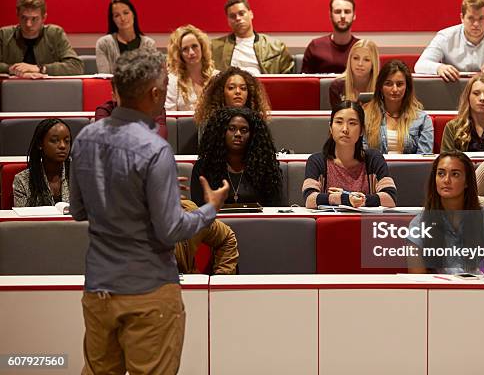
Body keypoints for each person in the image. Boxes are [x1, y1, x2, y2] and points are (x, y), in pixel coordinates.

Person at [70, 49, 230, 374]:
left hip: (98, 289)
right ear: (155, 93)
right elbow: (170, 230)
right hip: (148, 291)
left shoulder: (85, 138)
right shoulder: (154, 148)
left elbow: (77, 209)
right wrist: (209, 209)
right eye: (165, 84)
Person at [408, 151, 484, 273]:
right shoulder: (419, 223)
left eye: (455, 174)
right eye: (441, 174)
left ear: (466, 182)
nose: (446, 180)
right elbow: (418, 280)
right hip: (438, 290)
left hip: (480, 289)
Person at [303, 101, 397, 209]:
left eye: (352, 123)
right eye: (339, 122)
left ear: (362, 130)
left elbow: (390, 198)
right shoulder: (317, 161)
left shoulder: (374, 159)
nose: (345, 129)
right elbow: (310, 199)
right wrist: (346, 199)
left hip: (365, 223)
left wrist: (352, 197)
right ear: (330, 128)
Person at [191, 106, 282, 207]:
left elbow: (274, 206)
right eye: (232, 129)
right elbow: (197, 208)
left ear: (252, 135)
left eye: (244, 130)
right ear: (221, 132)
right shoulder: (204, 167)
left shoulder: (266, 166)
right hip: (215, 222)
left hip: (258, 222)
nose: (238, 134)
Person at [0, 0, 83, 77]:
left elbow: (76, 66)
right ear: (17, 15)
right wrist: (10, 69)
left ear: (44, 18)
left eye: (34, 19)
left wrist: (40, 68)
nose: (28, 24)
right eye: (24, 18)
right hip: (12, 88)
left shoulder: (55, 34)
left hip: (49, 88)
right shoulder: (4, 34)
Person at [363, 60, 433, 154]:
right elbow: (363, 155)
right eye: (388, 84)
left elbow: (423, 159)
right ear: (380, 87)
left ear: (407, 87)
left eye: (399, 84)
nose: (395, 89)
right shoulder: (366, 116)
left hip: (411, 169)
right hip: (374, 168)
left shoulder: (423, 119)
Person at [211, 0, 294, 74]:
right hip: (231, 87)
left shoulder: (276, 47)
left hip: (263, 87)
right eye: (232, 16)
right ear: (228, 21)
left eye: (241, 13)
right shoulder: (214, 48)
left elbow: (287, 78)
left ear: (251, 14)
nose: (238, 18)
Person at [441, 74, 484, 153]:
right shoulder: (453, 127)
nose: (482, 98)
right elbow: (445, 161)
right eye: (476, 93)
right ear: (468, 96)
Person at [194, 66, 271, 138]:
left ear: (249, 93)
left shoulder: (258, 122)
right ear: (221, 93)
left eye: (243, 88)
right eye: (231, 88)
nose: (238, 92)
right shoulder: (210, 123)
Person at [13, 119, 71, 207]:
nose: (63, 146)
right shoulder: (22, 180)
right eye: (54, 140)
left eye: (67, 141)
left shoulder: (81, 177)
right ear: (40, 144)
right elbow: (22, 220)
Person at [95, 0, 155, 74]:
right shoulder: (103, 44)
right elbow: (104, 77)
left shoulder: (149, 44)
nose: (122, 18)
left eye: (126, 13)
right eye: (117, 15)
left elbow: (151, 76)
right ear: (113, 19)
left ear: (133, 14)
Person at [302, 0, 359, 74]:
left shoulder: (362, 48)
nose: (342, 16)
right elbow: (305, 83)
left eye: (347, 12)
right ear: (330, 15)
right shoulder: (315, 46)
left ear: (354, 15)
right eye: (337, 12)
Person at [165, 24, 218, 111]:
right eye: (185, 49)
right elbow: (169, 116)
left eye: (194, 46)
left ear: (202, 47)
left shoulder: (217, 76)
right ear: (179, 54)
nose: (191, 52)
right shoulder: (173, 80)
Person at [329, 39, 379, 109]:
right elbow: (337, 117)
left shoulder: (382, 86)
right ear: (350, 60)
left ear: (373, 64)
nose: (360, 64)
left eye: (366, 60)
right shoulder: (337, 86)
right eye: (356, 58)